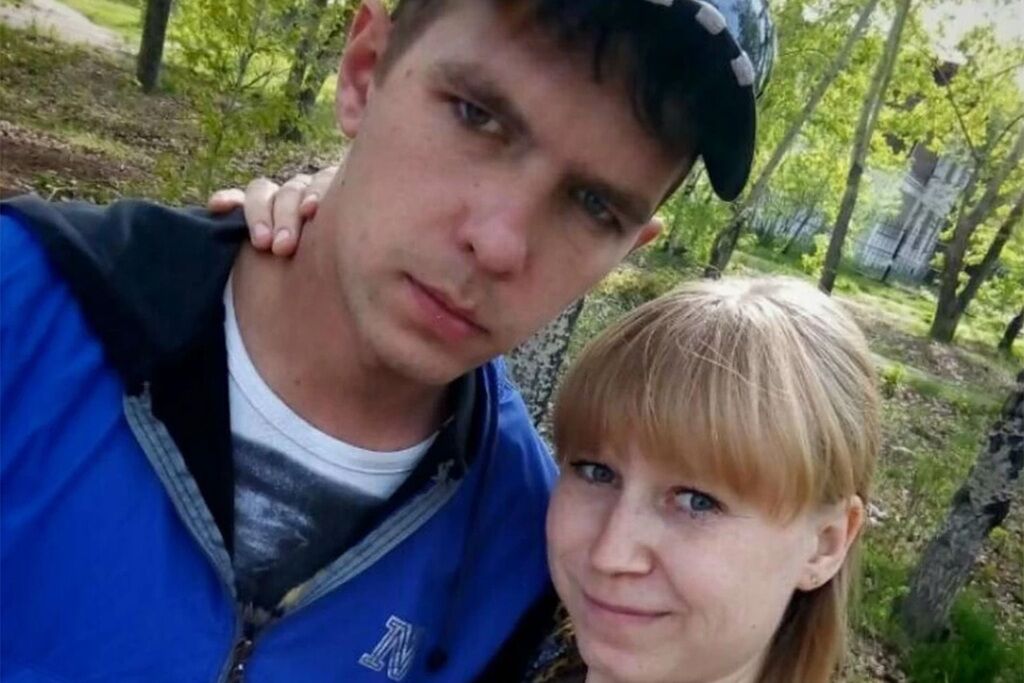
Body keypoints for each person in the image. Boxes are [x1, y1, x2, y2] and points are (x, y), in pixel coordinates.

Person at [0, 1, 774, 681]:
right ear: (364, 71)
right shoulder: (27, 307)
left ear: (628, 248)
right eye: (477, 116)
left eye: (593, 205)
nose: (500, 242)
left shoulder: (520, 550)